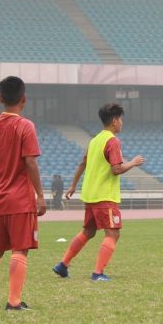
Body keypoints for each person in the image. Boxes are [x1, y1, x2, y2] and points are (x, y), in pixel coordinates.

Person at [53, 103, 145, 281]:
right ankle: (97, 273)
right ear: (113, 121)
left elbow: (82, 164)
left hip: (91, 195)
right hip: (105, 196)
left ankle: (63, 264)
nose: (122, 123)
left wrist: (73, 186)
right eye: (120, 119)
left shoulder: (94, 140)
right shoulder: (112, 141)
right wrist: (133, 162)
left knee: (88, 232)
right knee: (113, 233)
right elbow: (116, 169)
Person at [0, 76, 47, 311]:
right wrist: (40, 194)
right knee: (20, 249)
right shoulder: (25, 126)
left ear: (0, 98)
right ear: (24, 99)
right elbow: (31, 163)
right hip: (20, 199)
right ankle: (14, 302)